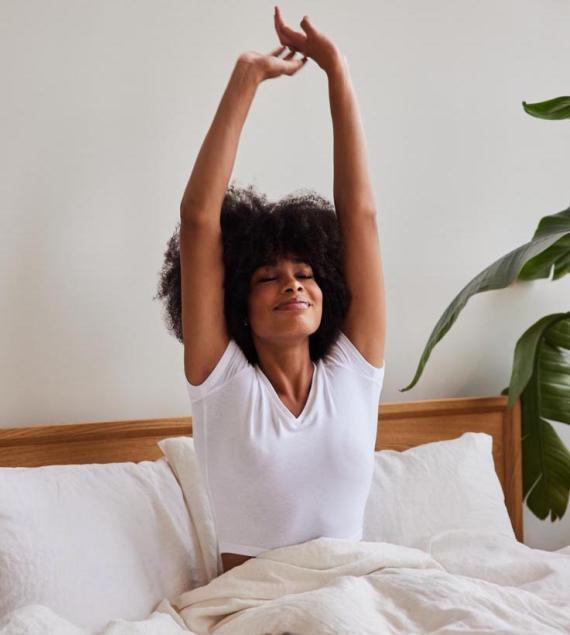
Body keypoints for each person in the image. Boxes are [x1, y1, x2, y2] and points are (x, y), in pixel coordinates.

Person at [155, 7, 386, 575]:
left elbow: (359, 216)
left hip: (355, 593)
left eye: (306, 274)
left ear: (327, 287)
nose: (291, 283)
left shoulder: (354, 373)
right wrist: (246, 78)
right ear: (238, 302)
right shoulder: (223, 382)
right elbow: (198, 221)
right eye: (267, 277)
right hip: (257, 607)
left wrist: (338, 73)